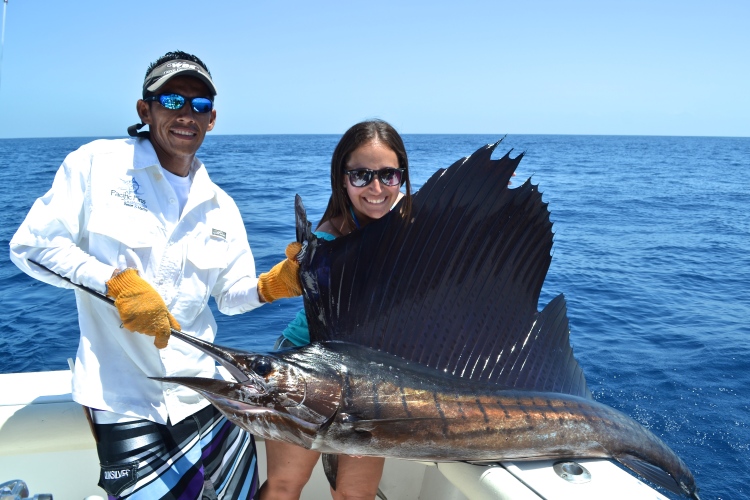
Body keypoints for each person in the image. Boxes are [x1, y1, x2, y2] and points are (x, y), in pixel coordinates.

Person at [9, 50, 300, 499]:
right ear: (145, 109)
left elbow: (229, 296)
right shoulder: (96, 165)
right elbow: (33, 247)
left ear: (213, 119)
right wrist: (114, 283)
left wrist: (271, 286)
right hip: (127, 402)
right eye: (172, 100)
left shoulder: (220, 204)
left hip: (210, 396)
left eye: (200, 105)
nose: (187, 114)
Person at [260, 120, 413, 500]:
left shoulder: (413, 233)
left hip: (370, 378)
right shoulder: (330, 238)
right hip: (303, 367)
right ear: (342, 180)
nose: (376, 189)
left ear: (402, 177)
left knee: (355, 494)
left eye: (388, 175)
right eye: (361, 176)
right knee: (284, 485)